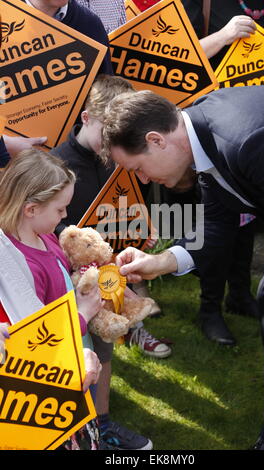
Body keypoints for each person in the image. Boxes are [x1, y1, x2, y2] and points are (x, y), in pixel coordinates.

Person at [100, 85, 264, 450]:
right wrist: (160, 262)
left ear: (156, 140)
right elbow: (218, 221)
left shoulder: (247, 139)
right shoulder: (200, 131)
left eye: (138, 168)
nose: (143, 180)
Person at [52, 75, 167, 450]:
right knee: (79, 354)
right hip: (66, 281)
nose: (117, 142)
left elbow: (126, 207)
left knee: (105, 349)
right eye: (109, 131)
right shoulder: (59, 165)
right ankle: (80, 428)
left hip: (109, 275)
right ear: (86, 117)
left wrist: (138, 234)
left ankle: (101, 423)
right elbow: (52, 228)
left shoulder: (117, 156)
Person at [0, 150, 103, 449]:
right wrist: (82, 315)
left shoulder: (44, 237)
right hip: (56, 381)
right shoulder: (19, 267)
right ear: (31, 209)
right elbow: (35, 341)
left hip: (78, 355)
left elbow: (60, 284)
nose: (65, 217)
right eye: (60, 210)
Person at [1, 0, 113, 161]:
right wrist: (5, 145)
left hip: (70, 169)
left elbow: (106, 94)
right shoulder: (5, 15)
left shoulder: (89, 24)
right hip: (9, 171)